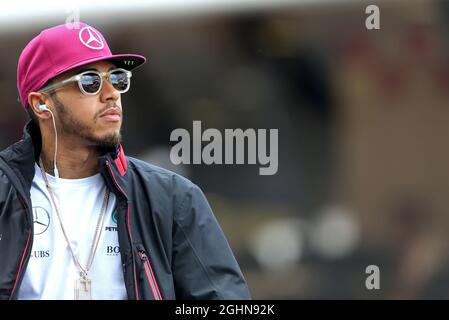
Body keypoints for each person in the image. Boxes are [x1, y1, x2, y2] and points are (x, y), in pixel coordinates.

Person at [0, 22, 250, 300]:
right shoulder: (4, 195)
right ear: (41, 103)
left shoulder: (172, 198)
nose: (112, 93)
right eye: (89, 82)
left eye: (117, 79)